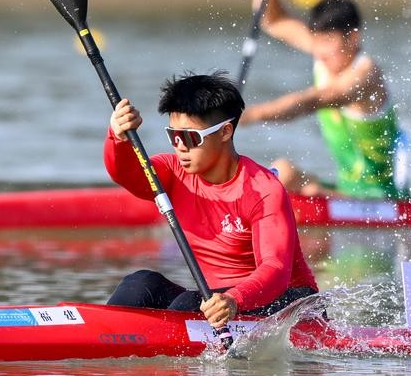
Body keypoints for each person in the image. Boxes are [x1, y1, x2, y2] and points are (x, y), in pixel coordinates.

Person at [104, 71, 319, 330]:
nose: (180, 147)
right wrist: (118, 137)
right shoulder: (172, 172)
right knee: (140, 284)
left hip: (291, 305)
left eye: (190, 138)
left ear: (225, 131)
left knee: (187, 304)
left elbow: (275, 268)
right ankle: (102, 334)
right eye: (173, 136)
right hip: (217, 300)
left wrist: (234, 299)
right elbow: (126, 174)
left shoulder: (263, 190)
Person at [238, 0, 404, 199]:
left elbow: (312, 101)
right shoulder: (327, 52)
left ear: (353, 38)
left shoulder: (366, 76)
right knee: (282, 171)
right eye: (316, 41)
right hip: (345, 191)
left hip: (381, 200)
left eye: (327, 41)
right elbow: (272, 20)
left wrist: (250, 115)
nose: (319, 52)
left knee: (305, 188)